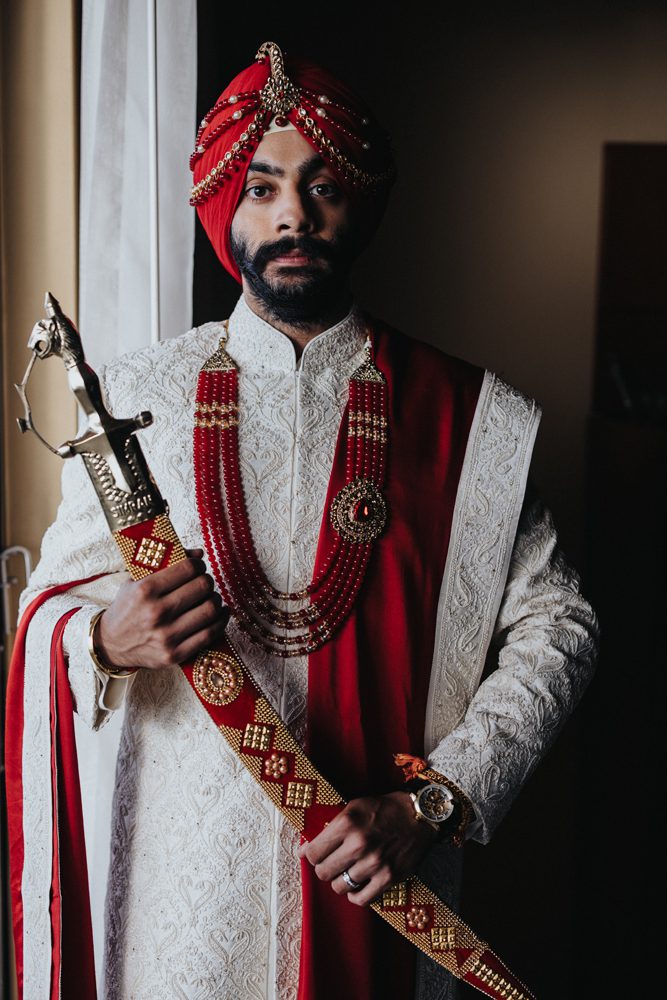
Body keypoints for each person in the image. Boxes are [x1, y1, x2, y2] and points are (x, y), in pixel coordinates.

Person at [7, 40, 598, 1000]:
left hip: (378, 876)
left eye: (322, 188)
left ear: (359, 203)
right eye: (263, 187)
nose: (292, 214)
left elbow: (559, 625)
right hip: (176, 896)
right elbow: (45, 616)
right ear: (222, 210)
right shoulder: (136, 399)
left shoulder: (466, 420)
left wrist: (432, 802)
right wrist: (108, 638)